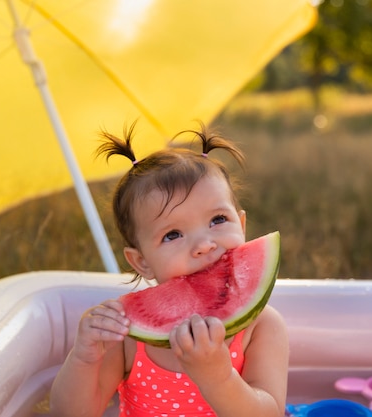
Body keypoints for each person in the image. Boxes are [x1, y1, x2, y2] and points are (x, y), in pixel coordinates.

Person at [49, 122, 289, 417]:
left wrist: (218, 377)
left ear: (241, 225)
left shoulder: (263, 325)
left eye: (217, 220)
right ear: (142, 262)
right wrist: (84, 358)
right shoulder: (126, 333)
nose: (204, 244)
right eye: (172, 235)